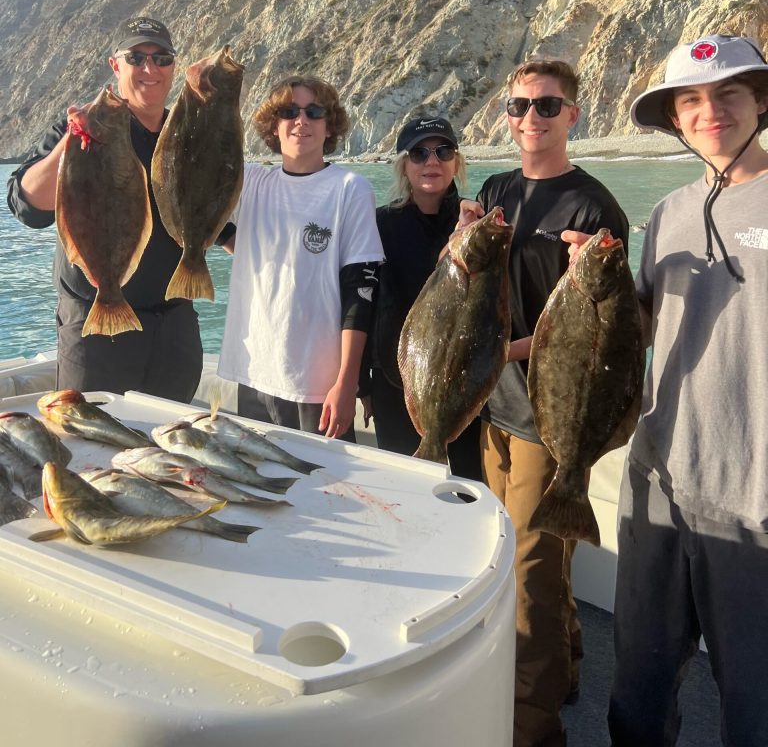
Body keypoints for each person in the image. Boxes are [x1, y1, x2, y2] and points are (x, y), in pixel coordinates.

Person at [458, 58, 628, 747]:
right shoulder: (498, 189)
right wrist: (466, 232)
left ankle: (532, 728)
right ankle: (569, 669)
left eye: (548, 106)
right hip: (493, 411)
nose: (532, 117)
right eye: (519, 106)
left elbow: (609, 332)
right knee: (529, 562)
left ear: (573, 116)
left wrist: (510, 353)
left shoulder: (595, 207)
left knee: (531, 577)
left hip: (547, 420)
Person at [607, 34, 768, 747]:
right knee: (637, 695)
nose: (712, 112)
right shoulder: (669, 213)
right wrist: (597, 287)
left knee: (753, 704)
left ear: (760, 102)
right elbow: (640, 330)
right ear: (674, 118)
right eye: (692, 100)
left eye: (729, 93)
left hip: (755, 498)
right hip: (659, 483)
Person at [6, 16, 218, 402]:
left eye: (162, 57)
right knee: (94, 448)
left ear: (174, 66)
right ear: (115, 65)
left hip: (175, 328)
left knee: (169, 445)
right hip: (95, 325)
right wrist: (72, 141)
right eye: (136, 57)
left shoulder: (187, 137)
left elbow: (211, 214)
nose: (149, 69)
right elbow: (27, 207)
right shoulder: (80, 131)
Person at [217, 74, 384, 440]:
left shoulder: (349, 189)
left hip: (317, 385)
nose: (301, 120)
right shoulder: (252, 183)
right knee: (263, 488)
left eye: (314, 111)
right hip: (254, 372)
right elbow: (202, 204)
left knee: (326, 490)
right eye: (289, 111)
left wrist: (347, 382)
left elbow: (361, 294)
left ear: (330, 125)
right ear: (273, 126)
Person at [367, 116, 482, 479]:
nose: (431, 162)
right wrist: (362, 385)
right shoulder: (380, 223)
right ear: (404, 165)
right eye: (419, 153)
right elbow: (365, 302)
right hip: (394, 384)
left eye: (442, 151)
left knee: (467, 490)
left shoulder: (475, 226)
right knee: (406, 491)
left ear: (456, 162)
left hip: (464, 382)